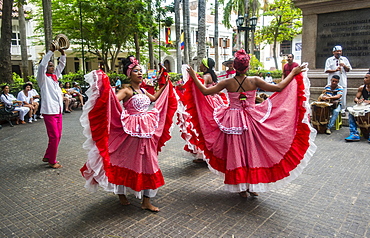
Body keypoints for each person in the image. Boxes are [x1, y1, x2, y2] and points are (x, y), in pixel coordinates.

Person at [183, 49, 316, 197]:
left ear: (234, 66)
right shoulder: (254, 80)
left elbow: (205, 92)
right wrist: (293, 73)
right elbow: (279, 87)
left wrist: (193, 77)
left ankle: (242, 188)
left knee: (238, 153)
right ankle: (250, 187)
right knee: (252, 151)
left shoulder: (227, 82)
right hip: (251, 119)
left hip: (232, 121)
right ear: (247, 67)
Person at [80, 56, 177, 212]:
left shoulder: (144, 90)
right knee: (127, 162)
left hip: (147, 130)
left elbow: (154, 98)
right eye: (136, 71)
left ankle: (146, 200)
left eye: (141, 71)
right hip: (131, 132)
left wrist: (165, 84)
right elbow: (112, 101)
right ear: (129, 73)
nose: (140, 74)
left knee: (150, 162)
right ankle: (121, 193)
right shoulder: (126, 89)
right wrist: (104, 87)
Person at [37, 44, 66, 169]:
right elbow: (42, 66)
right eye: (50, 65)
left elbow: (62, 65)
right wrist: (50, 52)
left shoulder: (55, 77)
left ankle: (48, 155)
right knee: (54, 136)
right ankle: (52, 161)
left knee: (58, 136)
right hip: (49, 111)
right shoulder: (42, 78)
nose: (52, 66)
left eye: (52, 65)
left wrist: (62, 54)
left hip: (58, 110)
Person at [324, 45, 352, 113]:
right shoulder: (329, 60)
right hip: (332, 82)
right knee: (330, 95)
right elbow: (326, 70)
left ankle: (342, 109)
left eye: (340, 51)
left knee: (342, 95)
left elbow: (349, 69)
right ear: (333, 52)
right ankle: (331, 108)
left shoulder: (344, 59)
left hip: (342, 81)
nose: (338, 53)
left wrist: (344, 66)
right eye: (337, 51)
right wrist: (335, 70)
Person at [345, 71, 370, 142]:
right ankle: (354, 134)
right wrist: (358, 101)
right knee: (351, 112)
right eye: (364, 77)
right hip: (364, 106)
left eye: (366, 78)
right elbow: (356, 98)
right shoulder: (362, 88)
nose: (364, 79)